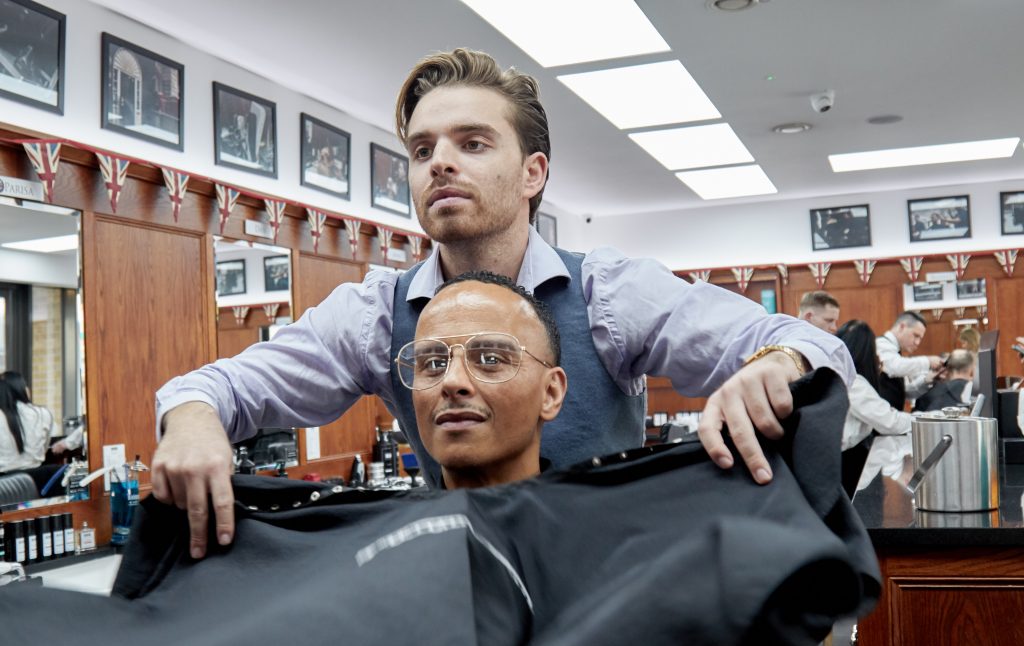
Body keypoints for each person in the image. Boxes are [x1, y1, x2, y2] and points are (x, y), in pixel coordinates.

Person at [153, 48, 853, 560]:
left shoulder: (609, 292)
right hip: (466, 587)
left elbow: (817, 347)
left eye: (472, 143)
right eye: (422, 150)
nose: (440, 162)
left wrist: (778, 361)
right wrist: (191, 420)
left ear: (532, 173)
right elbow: (213, 388)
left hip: (604, 588)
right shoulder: (375, 313)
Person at [404, 270, 566, 489]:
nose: (452, 381)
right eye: (434, 364)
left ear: (550, 393)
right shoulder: (389, 514)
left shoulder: (599, 511)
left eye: (490, 359)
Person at [836, 321, 913, 490]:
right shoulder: (852, 382)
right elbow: (890, 422)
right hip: (842, 465)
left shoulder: (840, 376)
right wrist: (925, 420)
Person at [875, 311, 943, 410]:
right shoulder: (881, 344)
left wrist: (926, 380)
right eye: (916, 336)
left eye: (920, 338)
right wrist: (928, 361)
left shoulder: (895, 353)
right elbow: (894, 367)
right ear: (902, 327)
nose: (917, 342)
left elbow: (904, 392)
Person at [0, 370, 54, 473]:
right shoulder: (42, 414)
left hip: (4, 480)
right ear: (23, 389)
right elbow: (44, 448)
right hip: (37, 478)